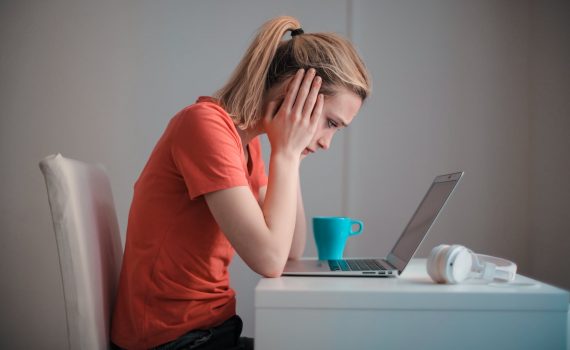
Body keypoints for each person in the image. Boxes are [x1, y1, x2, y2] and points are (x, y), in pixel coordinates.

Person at [111, 15, 371, 350]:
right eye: (331, 123)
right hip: (172, 340)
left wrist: (293, 155)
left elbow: (291, 249)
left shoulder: (247, 144)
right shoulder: (204, 127)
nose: (327, 142)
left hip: (211, 331)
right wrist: (287, 155)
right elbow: (270, 260)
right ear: (297, 93)